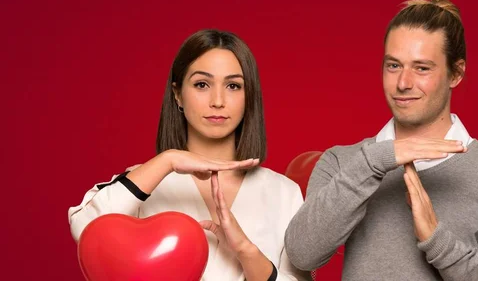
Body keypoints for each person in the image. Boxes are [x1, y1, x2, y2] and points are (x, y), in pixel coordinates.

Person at [284, 0, 478, 280]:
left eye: (422, 68)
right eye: (393, 66)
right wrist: (376, 160)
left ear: (455, 73)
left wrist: (438, 242)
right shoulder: (344, 162)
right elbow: (301, 253)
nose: (403, 83)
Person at [68, 29, 310, 281]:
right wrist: (168, 160)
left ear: (248, 97)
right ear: (177, 94)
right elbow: (87, 229)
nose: (218, 100)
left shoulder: (284, 193)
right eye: (202, 84)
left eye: (233, 85)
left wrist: (246, 251)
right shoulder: (146, 181)